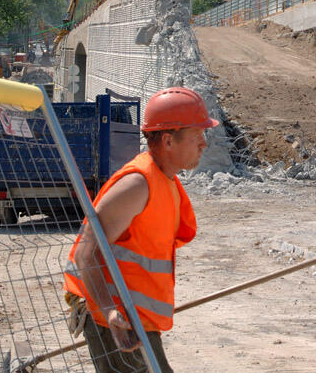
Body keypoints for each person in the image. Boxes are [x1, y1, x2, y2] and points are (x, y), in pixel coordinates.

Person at [63, 87, 218, 373]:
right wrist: (108, 312)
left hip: (134, 317)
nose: (204, 143)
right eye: (198, 135)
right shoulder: (137, 185)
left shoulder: (165, 182)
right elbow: (86, 254)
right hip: (114, 316)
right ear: (169, 140)